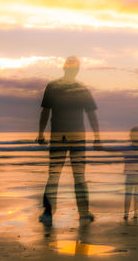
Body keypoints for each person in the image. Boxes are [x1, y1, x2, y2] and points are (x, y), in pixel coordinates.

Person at [37, 56, 100, 226]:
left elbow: (45, 112)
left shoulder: (53, 87)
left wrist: (40, 133)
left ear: (64, 68)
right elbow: (91, 115)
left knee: (54, 175)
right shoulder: (81, 89)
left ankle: (48, 213)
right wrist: (97, 137)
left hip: (58, 135)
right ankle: (84, 213)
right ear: (77, 70)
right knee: (79, 176)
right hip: (77, 136)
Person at [95, 126, 138, 220]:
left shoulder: (127, 148)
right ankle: (135, 215)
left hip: (130, 176)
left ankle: (126, 214)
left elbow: (113, 149)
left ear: (131, 136)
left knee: (128, 195)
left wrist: (102, 148)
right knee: (136, 196)